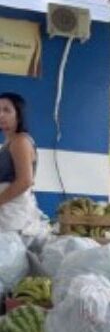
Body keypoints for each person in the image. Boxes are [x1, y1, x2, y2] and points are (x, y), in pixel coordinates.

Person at [0, 91, 39, 233]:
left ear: (18, 114)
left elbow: (25, 181)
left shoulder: (20, 141)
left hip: (13, 213)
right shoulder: (9, 142)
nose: (1, 115)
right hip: (7, 209)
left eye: (6, 110)